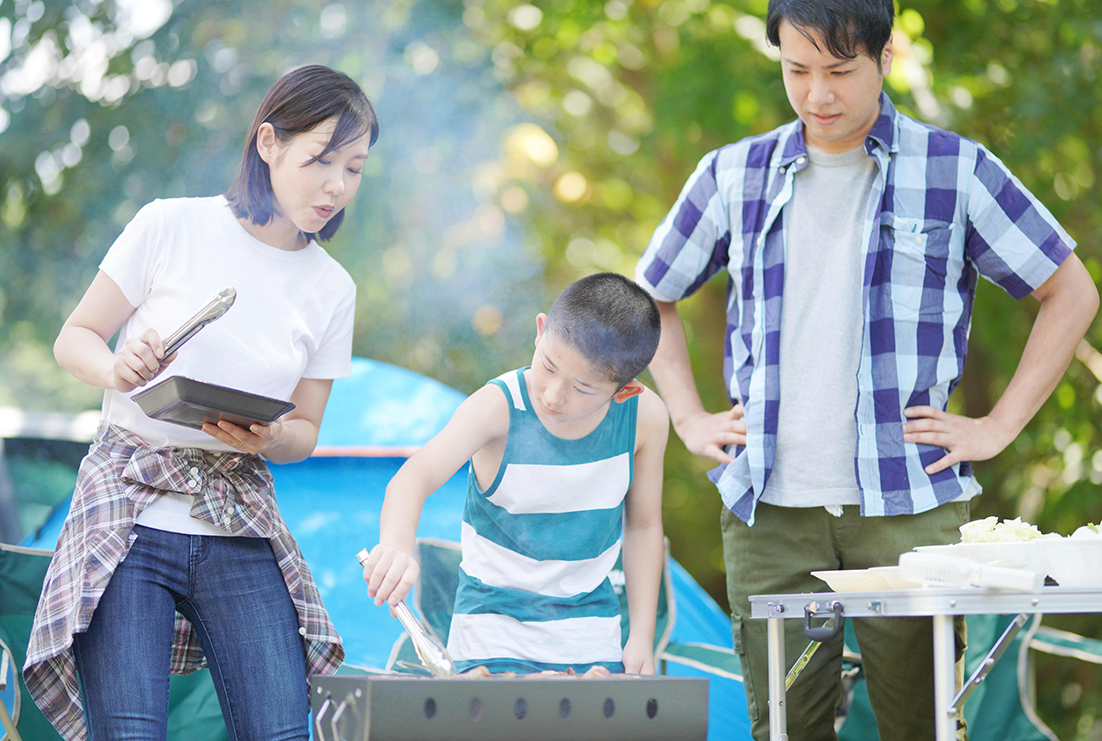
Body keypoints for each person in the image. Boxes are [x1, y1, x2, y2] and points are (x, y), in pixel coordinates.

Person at [635, 0, 1099, 740]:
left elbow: (1071, 292)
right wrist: (686, 416)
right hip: (770, 513)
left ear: (887, 55)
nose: (817, 94)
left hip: (907, 511)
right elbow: (650, 297)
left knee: (921, 727)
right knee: (785, 728)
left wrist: (998, 427)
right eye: (797, 69)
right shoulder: (732, 175)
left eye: (841, 71)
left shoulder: (954, 170)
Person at [25, 64, 379, 741]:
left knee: (280, 731)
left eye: (355, 169)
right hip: (130, 512)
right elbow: (74, 338)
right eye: (321, 160)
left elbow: (304, 432)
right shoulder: (170, 226)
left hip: (237, 519)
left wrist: (268, 439)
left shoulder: (332, 289)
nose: (337, 186)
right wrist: (116, 365)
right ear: (269, 143)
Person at [363, 273, 669, 675]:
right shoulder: (498, 407)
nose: (553, 394)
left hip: (591, 633)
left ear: (625, 390)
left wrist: (642, 636)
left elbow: (644, 526)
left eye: (582, 388)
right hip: (491, 630)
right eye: (548, 366)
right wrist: (396, 546)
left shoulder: (644, 420)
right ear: (540, 332)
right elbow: (413, 477)